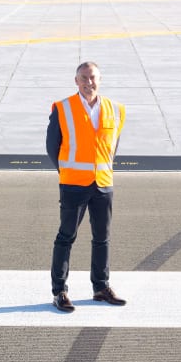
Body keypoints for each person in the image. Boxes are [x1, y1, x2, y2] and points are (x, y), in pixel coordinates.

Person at [46, 61, 127, 312]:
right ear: (76, 81)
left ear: (99, 80)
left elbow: (113, 146)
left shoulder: (116, 109)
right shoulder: (62, 108)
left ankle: (101, 287)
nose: (88, 82)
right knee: (66, 237)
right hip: (73, 185)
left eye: (92, 78)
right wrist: (67, 173)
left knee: (102, 238)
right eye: (83, 78)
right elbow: (52, 146)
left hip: (103, 184)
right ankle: (59, 291)